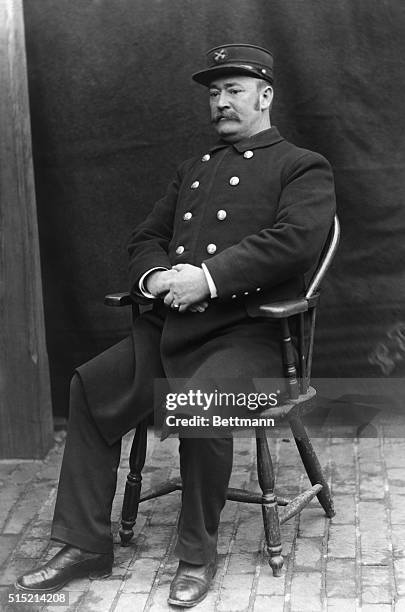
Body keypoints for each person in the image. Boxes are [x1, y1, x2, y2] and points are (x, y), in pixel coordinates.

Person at [15, 44, 336, 607]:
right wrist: (157, 279)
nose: (220, 102)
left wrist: (206, 279)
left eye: (233, 90)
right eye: (213, 93)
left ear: (265, 96)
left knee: (200, 402)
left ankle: (197, 553)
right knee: (90, 388)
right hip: (168, 328)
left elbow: (294, 243)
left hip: (252, 333)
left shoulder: (301, 165)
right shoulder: (195, 168)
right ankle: (83, 542)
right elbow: (146, 238)